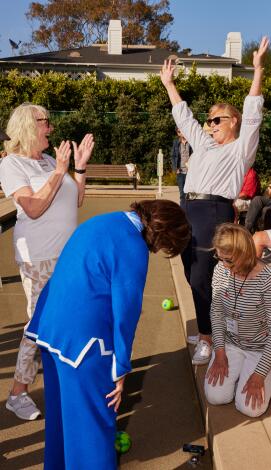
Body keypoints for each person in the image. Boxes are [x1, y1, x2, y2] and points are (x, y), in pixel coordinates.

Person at [25, 199, 190, 469]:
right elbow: (126, 313)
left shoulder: (103, 220)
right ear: (163, 234)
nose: (159, 251)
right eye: (165, 247)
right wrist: (120, 369)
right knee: (94, 429)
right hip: (84, 344)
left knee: (61, 420)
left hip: (51, 329)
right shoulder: (133, 247)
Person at [160, 37, 269, 365]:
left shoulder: (241, 150)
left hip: (213, 210)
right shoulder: (204, 145)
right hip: (189, 208)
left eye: (216, 120)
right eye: (208, 120)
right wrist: (169, 84)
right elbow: (184, 118)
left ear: (232, 122)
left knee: (200, 276)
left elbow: (253, 114)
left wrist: (258, 72)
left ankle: (208, 338)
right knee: (192, 272)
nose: (209, 125)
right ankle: (211, 328)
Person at [0, 103, 94, 420]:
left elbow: (75, 200)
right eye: (45, 122)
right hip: (38, 257)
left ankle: (67, 379)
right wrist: (58, 173)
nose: (50, 128)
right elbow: (34, 207)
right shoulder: (12, 164)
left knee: (65, 319)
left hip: (67, 255)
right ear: (28, 125)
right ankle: (17, 393)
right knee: (39, 324)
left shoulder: (52, 159)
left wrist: (78, 169)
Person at [204, 223, 271, 417]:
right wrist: (220, 353)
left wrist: (259, 375)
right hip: (230, 344)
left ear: (245, 253)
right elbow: (216, 313)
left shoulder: (269, 279)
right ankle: (237, 371)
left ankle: (256, 371)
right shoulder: (220, 270)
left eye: (230, 260)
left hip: (260, 348)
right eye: (220, 258)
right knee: (216, 397)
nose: (224, 265)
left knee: (250, 409)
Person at [171, 127, 193, 202]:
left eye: (182, 131)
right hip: (180, 171)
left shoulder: (191, 142)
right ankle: (183, 208)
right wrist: (175, 168)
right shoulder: (176, 142)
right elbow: (173, 156)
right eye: (179, 132)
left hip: (190, 171)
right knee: (182, 192)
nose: (181, 133)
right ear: (178, 133)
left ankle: (189, 208)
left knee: (190, 192)